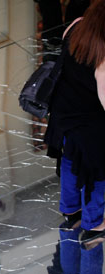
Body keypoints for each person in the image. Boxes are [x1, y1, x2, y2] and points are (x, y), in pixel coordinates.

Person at [44, 0, 105, 246]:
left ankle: (70, 211)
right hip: (89, 125)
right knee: (97, 174)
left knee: (69, 162)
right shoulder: (103, 54)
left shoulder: (76, 27)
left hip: (63, 114)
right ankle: (94, 223)